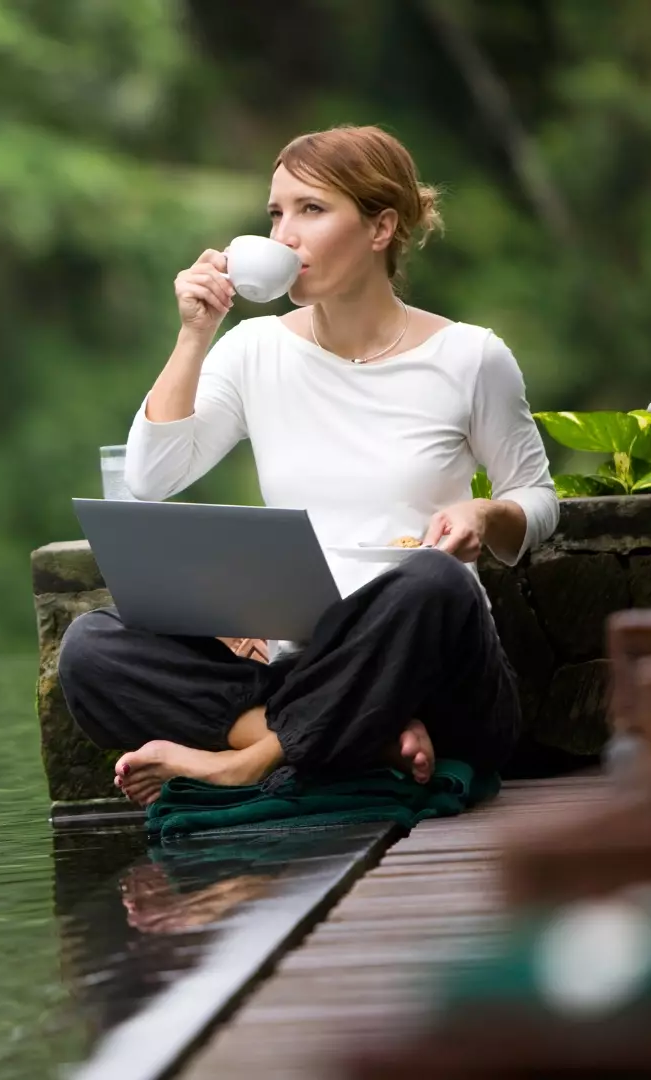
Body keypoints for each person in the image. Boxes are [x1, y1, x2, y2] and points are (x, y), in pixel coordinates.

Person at [57, 125, 558, 807]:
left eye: (310, 210)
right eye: (276, 213)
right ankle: (364, 739)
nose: (283, 235)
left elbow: (536, 498)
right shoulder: (253, 349)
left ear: (381, 228)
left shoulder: (471, 358)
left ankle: (252, 758)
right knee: (90, 647)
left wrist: (485, 512)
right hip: (307, 672)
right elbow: (151, 477)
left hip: (437, 681)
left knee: (434, 583)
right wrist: (194, 335)